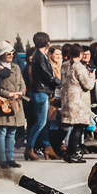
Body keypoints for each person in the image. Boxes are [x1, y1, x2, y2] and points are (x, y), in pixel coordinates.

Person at [58, 42, 95, 163]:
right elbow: (88, 85)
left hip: (67, 99)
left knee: (73, 126)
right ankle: (74, 153)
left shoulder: (64, 65)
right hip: (79, 101)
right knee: (78, 127)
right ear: (80, 53)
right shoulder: (79, 67)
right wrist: (92, 76)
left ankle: (69, 154)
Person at [25, 33, 58, 162]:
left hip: (41, 91)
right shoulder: (39, 56)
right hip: (40, 91)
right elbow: (47, 76)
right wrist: (60, 82)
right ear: (47, 42)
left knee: (43, 122)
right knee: (40, 122)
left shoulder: (40, 55)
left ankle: (47, 147)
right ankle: (29, 148)